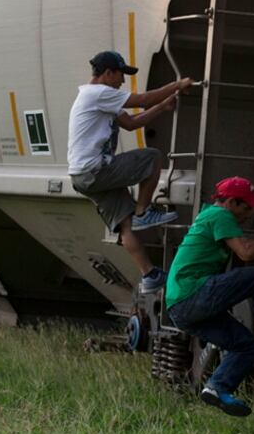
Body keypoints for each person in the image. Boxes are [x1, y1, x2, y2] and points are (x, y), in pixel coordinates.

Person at [165, 148, 254, 417]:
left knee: (246, 345)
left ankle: (217, 387)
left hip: (180, 308)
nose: (248, 213)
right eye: (244, 206)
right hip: (193, 293)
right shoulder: (221, 217)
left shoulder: (216, 212)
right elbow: (247, 253)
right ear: (231, 202)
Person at [68, 49, 193, 294]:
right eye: (120, 75)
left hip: (81, 176)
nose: (122, 81)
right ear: (107, 73)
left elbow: (132, 123)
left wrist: (163, 106)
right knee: (153, 157)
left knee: (126, 226)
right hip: (96, 170)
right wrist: (177, 85)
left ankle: (150, 276)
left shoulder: (98, 98)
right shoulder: (98, 93)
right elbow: (143, 99)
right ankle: (144, 211)